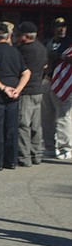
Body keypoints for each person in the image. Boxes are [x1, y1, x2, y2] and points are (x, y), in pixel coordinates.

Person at [0, 23, 30, 169]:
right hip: (13, 96)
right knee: (11, 128)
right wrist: (17, 89)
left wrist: (3, 88)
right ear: (8, 36)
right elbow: (26, 72)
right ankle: (11, 160)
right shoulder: (15, 51)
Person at [14, 22, 47, 166]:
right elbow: (45, 65)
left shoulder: (23, 50)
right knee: (35, 126)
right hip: (38, 90)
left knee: (23, 125)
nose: (17, 37)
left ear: (26, 36)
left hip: (26, 91)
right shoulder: (41, 47)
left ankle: (24, 157)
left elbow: (17, 66)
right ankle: (36, 154)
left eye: (20, 34)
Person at [42, 17, 72, 160]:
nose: (61, 29)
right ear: (53, 28)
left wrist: (62, 56)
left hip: (63, 83)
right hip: (48, 80)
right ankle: (49, 147)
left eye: (64, 26)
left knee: (63, 117)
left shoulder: (69, 43)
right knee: (47, 116)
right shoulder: (47, 42)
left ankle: (65, 147)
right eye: (58, 26)